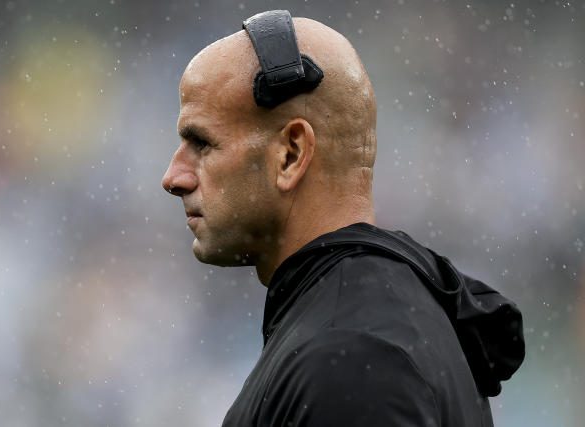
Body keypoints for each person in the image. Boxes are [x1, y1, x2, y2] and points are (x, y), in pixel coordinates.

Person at [162, 10, 525, 427]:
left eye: (202, 143)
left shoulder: (349, 353)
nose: (174, 177)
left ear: (290, 155)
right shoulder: (366, 322)